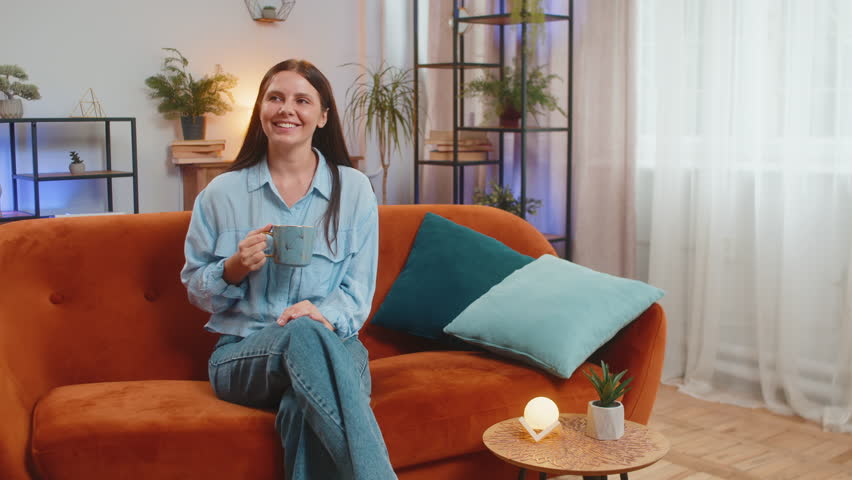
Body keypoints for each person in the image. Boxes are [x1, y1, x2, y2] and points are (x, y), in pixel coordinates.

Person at [180, 59, 396, 480]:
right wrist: (235, 267)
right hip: (242, 355)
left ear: (323, 116)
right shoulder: (221, 194)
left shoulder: (353, 190)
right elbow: (195, 289)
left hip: (338, 343)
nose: (286, 109)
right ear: (260, 109)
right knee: (302, 333)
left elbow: (357, 292)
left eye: (302, 100)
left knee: (303, 402)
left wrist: (323, 316)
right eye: (275, 98)